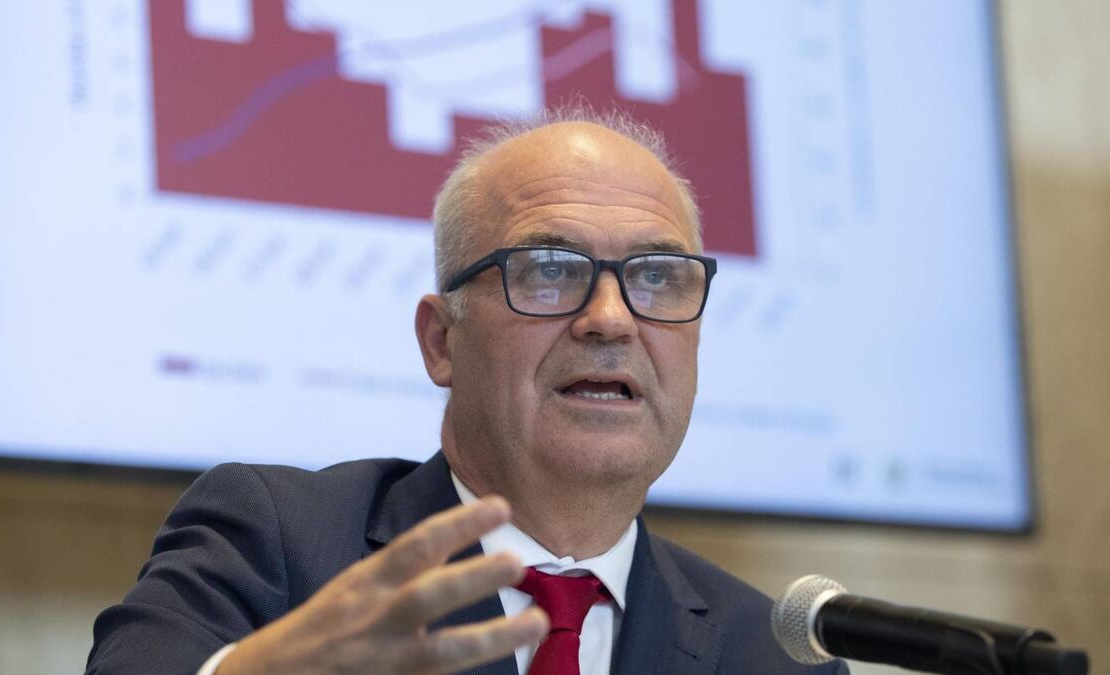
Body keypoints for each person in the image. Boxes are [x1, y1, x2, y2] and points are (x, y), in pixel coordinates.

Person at [86, 109, 847, 674]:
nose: (611, 319)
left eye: (656, 277)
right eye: (549, 271)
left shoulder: (772, 656)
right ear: (441, 341)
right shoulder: (278, 540)